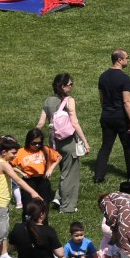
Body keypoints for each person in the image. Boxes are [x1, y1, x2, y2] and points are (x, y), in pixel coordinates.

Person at [39, 73, 89, 213]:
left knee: (62, 171)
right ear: (62, 86)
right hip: (68, 142)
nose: (72, 87)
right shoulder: (69, 100)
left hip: (53, 141)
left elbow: (41, 123)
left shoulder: (48, 101)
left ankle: (58, 197)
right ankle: (67, 207)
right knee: (69, 175)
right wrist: (85, 142)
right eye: (70, 84)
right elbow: (74, 122)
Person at [93, 50, 130, 186]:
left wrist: (106, 110)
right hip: (121, 117)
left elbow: (101, 97)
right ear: (119, 60)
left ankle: (98, 176)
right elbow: (127, 102)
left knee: (105, 147)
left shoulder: (103, 77)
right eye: (127, 58)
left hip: (106, 116)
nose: (128, 60)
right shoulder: (124, 78)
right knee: (128, 147)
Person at [12, 128, 60, 212]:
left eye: (39, 143)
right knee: (28, 207)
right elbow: (9, 165)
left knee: (44, 207)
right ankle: (28, 224)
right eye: (34, 143)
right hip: (29, 181)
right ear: (28, 141)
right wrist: (21, 172)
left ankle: (43, 224)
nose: (37, 146)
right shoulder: (21, 152)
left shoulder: (45, 149)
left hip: (43, 180)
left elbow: (59, 157)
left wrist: (51, 168)